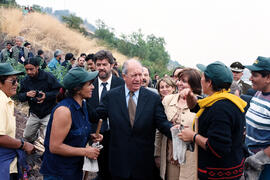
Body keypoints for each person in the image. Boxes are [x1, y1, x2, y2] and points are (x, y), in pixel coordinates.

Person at [96, 59, 175, 180]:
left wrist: (175, 131)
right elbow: (96, 116)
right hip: (118, 162)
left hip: (143, 164)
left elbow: (162, 123)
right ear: (124, 76)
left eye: (141, 74)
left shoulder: (152, 98)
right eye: (134, 75)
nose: (139, 79)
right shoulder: (111, 96)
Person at [178, 61, 247, 180]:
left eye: (203, 77)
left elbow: (218, 147)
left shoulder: (220, 109)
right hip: (228, 169)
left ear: (209, 83)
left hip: (219, 174)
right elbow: (196, 107)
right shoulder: (221, 99)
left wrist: (193, 136)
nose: (201, 79)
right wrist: (190, 96)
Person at [40, 67, 102, 180]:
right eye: (89, 84)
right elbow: (55, 147)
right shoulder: (64, 111)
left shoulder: (82, 106)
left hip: (74, 170)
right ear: (78, 89)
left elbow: (72, 134)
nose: (93, 87)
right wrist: (85, 151)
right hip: (58, 173)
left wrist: (90, 136)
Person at [155, 68, 201, 180]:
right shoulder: (167, 100)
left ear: (193, 84)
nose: (179, 83)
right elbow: (159, 129)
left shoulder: (200, 103)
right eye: (179, 80)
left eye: (184, 81)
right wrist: (157, 154)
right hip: (169, 158)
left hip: (190, 159)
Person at [87, 50, 124, 180]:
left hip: (115, 136)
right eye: (98, 64)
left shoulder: (121, 85)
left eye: (104, 64)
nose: (101, 68)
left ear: (112, 65)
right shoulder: (88, 84)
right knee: (100, 170)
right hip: (94, 135)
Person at [0, 63, 34, 180]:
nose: (16, 84)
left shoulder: (7, 100)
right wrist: (23, 145)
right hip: (3, 165)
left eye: (17, 80)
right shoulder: (1, 102)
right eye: (12, 81)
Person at [18, 57, 62, 143]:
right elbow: (20, 96)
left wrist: (46, 96)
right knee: (27, 136)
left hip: (48, 113)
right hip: (34, 113)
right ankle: (36, 137)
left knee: (48, 138)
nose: (29, 72)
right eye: (27, 69)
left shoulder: (48, 77)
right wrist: (27, 94)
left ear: (37, 67)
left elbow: (59, 91)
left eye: (31, 69)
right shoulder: (25, 80)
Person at [244, 56, 270, 179]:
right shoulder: (258, 94)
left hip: (264, 166)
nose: (250, 79)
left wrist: (259, 159)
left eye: (255, 75)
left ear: (268, 78)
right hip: (250, 159)